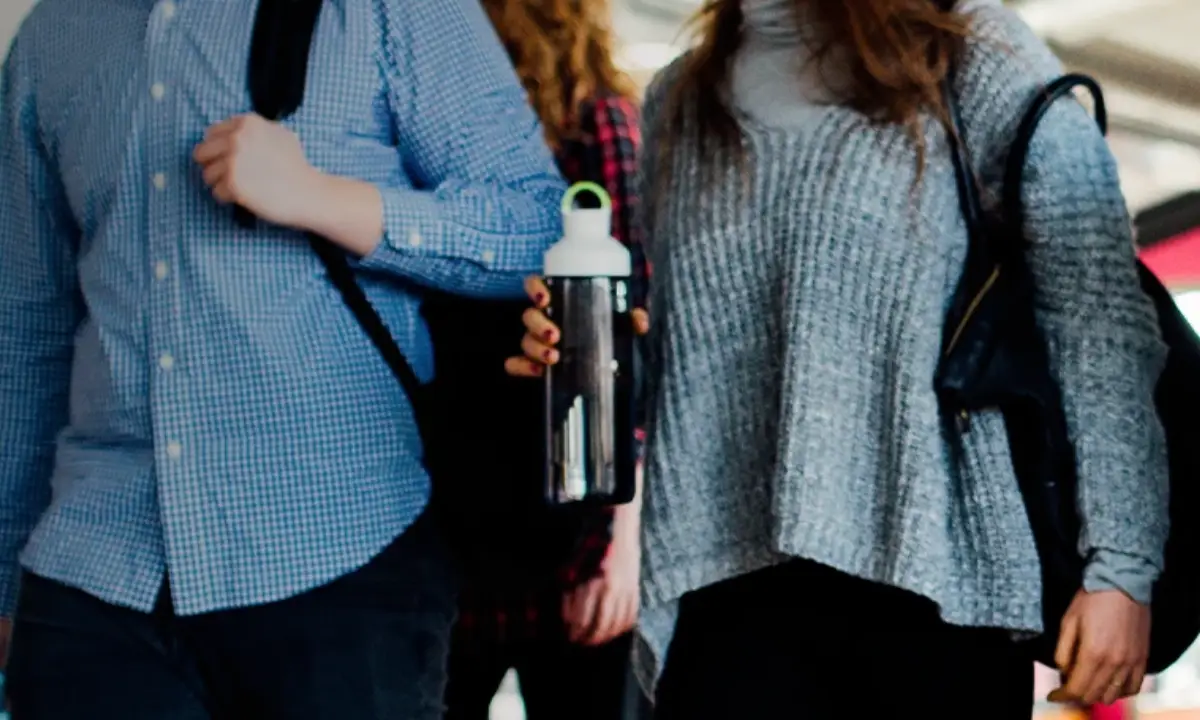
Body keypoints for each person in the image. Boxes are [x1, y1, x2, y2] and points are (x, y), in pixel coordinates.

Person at [509, 0, 1168, 717]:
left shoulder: (963, 49)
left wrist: (1121, 571)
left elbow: (1099, 317)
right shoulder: (680, 100)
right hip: (723, 590)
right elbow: (697, 364)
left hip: (932, 584)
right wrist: (588, 356)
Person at [0, 1, 565, 717]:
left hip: (340, 564)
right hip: (93, 580)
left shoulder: (394, 9)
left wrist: (320, 198)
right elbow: (23, 326)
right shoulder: (57, 32)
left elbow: (536, 228)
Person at [443, 1, 651, 718]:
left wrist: (620, 544)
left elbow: (635, 339)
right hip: (459, 513)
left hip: (569, 516)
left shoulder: (596, 124)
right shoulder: (438, 136)